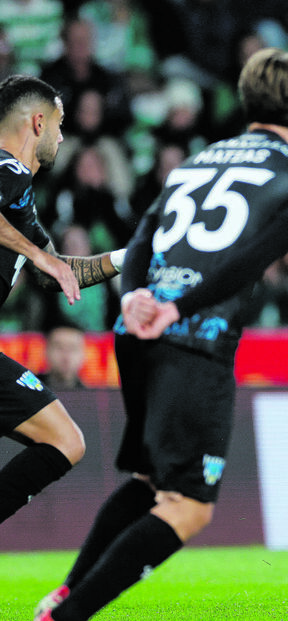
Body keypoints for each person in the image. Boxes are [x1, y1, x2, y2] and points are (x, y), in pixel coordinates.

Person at [34, 47, 288, 621]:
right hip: (195, 336)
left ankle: (66, 594)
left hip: (136, 326)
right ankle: (68, 617)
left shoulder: (201, 159)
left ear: (246, 102)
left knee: (151, 482)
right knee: (189, 505)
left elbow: (144, 236)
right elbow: (254, 257)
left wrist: (136, 298)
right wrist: (180, 308)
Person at [0, 74, 124, 527]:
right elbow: (42, 261)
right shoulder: (6, 168)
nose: (62, 134)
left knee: (65, 440)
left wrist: (127, 258)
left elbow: (54, 275)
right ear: (37, 122)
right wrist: (37, 254)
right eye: (59, 123)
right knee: (64, 440)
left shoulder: (18, 196)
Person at [38, 322, 87, 390]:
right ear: (46, 350)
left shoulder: (91, 397)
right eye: (59, 347)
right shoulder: (29, 390)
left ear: (83, 354)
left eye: (73, 348)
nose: (66, 356)